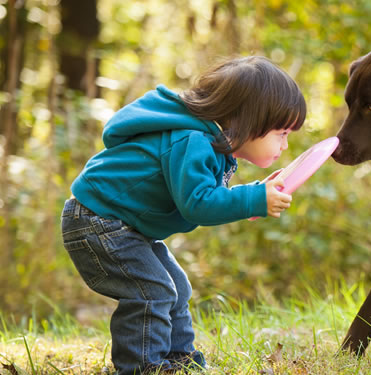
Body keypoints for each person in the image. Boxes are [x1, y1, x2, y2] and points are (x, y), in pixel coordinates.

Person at [60, 55, 305, 374]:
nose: (285, 146)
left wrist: (258, 192)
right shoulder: (191, 139)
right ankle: (142, 366)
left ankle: (179, 358)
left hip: (120, 225)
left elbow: (207, 193)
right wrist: (254, 199)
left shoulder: (205, 140)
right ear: (248, 120)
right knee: (152, 291)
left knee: (176, 285)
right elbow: (198, 203)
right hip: (97, 222)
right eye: (282, 133)